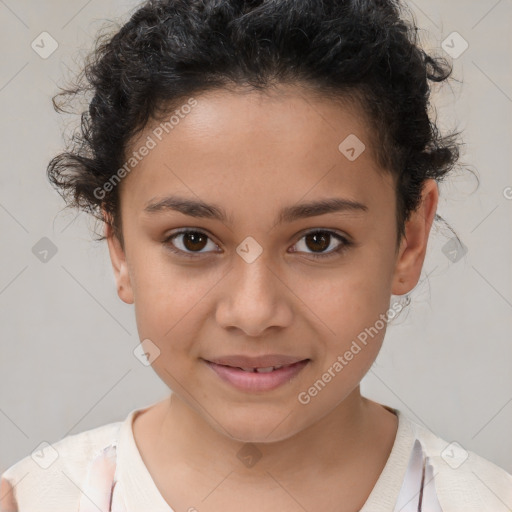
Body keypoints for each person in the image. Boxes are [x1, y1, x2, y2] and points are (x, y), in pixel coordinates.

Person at [1, 0, 511, 510]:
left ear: (411, 238)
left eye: (319, 240)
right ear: (120, 248)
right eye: (192, 240)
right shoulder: (35, 498)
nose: (253, 313)